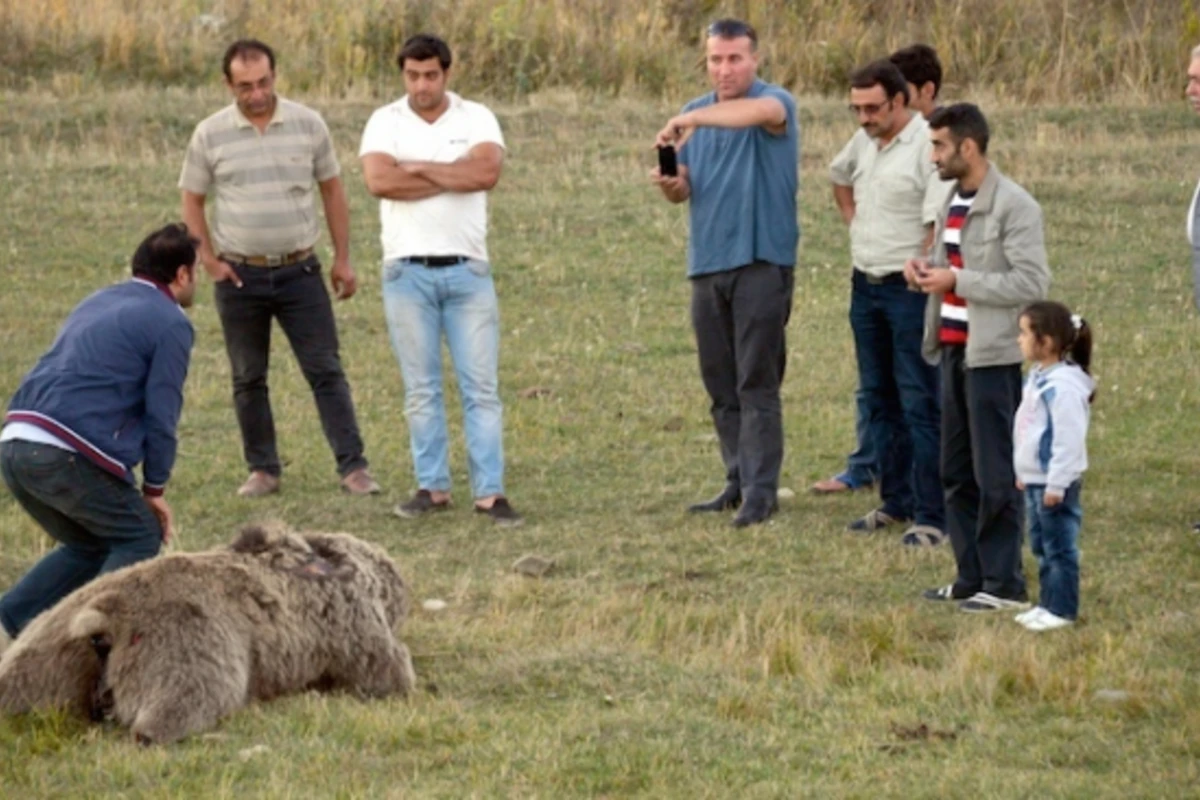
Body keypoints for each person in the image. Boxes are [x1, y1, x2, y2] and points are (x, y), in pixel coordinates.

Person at [180, 39, 379, 499]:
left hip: (300, 271)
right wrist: (208, 259)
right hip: (239, 275)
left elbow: (332, 190)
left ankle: (354, 468)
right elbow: (193, 198)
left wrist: (343, 258)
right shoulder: (210, 134)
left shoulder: (308, 124)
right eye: (245, 86)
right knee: (248, 375)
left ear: (275, 76)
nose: (256, 93)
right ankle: (263, 470)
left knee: (325, 369)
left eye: (264, 82)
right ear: (228, 84)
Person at [0, 223, 197, 640]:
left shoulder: (99, 299)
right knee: (139, 535)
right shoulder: (170, 322)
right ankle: (90, 646)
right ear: (182, 274)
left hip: (15, 441)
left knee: (91, 544)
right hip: (62, 451)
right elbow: (163, 415)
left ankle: (11, 623)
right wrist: (155, 490)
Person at [359, 34, 522, 526]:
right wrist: (453, 172)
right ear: (402, 74)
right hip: (407, 271)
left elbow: (486, 172)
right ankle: (432, 486)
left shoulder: (477, 117)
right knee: (421, 388)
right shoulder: (384, 121)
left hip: (467, 269)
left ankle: (490, 492)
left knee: (481, 387)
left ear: (446, 74)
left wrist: (420, 167)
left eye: (431, 75)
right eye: (413, 75)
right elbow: (380, 182)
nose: (422, 85)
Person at [651, 18, 799, 528]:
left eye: (735, 58)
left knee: (757, 380)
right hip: (707, 263)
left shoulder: (773, 103)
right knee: (720, 382)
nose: (725, 68)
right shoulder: (695, 116)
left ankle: (763, 490)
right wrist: (671, 182)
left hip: (761, 259)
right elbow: (684, 186)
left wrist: (695, 120)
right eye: (716, 58)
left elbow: (761, 113)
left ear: (754, 59)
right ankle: (736, 478)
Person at [905, 103, 1051, 612]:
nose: (933, 156)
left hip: (992, 356)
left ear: (969, 147)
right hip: (951, 349)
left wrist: (957, 281)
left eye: (940, 145)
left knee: (996, 474)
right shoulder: (951, 199)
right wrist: (925, 271)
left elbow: (1032, 283)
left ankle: (1005, 583)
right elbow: (952, 264)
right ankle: (970, 576)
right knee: (957, 469)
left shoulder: (1016, 206)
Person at [813, 43, 945, 496]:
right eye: (856, 109)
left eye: (872, 108)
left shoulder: (928, 143)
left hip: (906, 289)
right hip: (864, 284)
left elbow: (936, 222)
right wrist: (854, 221)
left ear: (900, 101)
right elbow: (839, 174)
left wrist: (922, 262)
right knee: (877, 396)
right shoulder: (864, 140)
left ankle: (930, 506)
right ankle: (893, 500)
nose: (864, 118)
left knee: (917, 399)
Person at [1012, 301, 1094, 632]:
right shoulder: (1037, 378)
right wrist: (1023, 471)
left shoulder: (1063, 387)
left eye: (1024, 333)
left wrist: (1057, 483)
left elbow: (1067, 440)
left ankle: (1062, 609)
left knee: (1059, 546)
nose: (1019, 339)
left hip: (1053, 484)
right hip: (1034, 479)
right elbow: (1027, 429)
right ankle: (1047, 603)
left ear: (1045, 342)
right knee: (1041, 544)